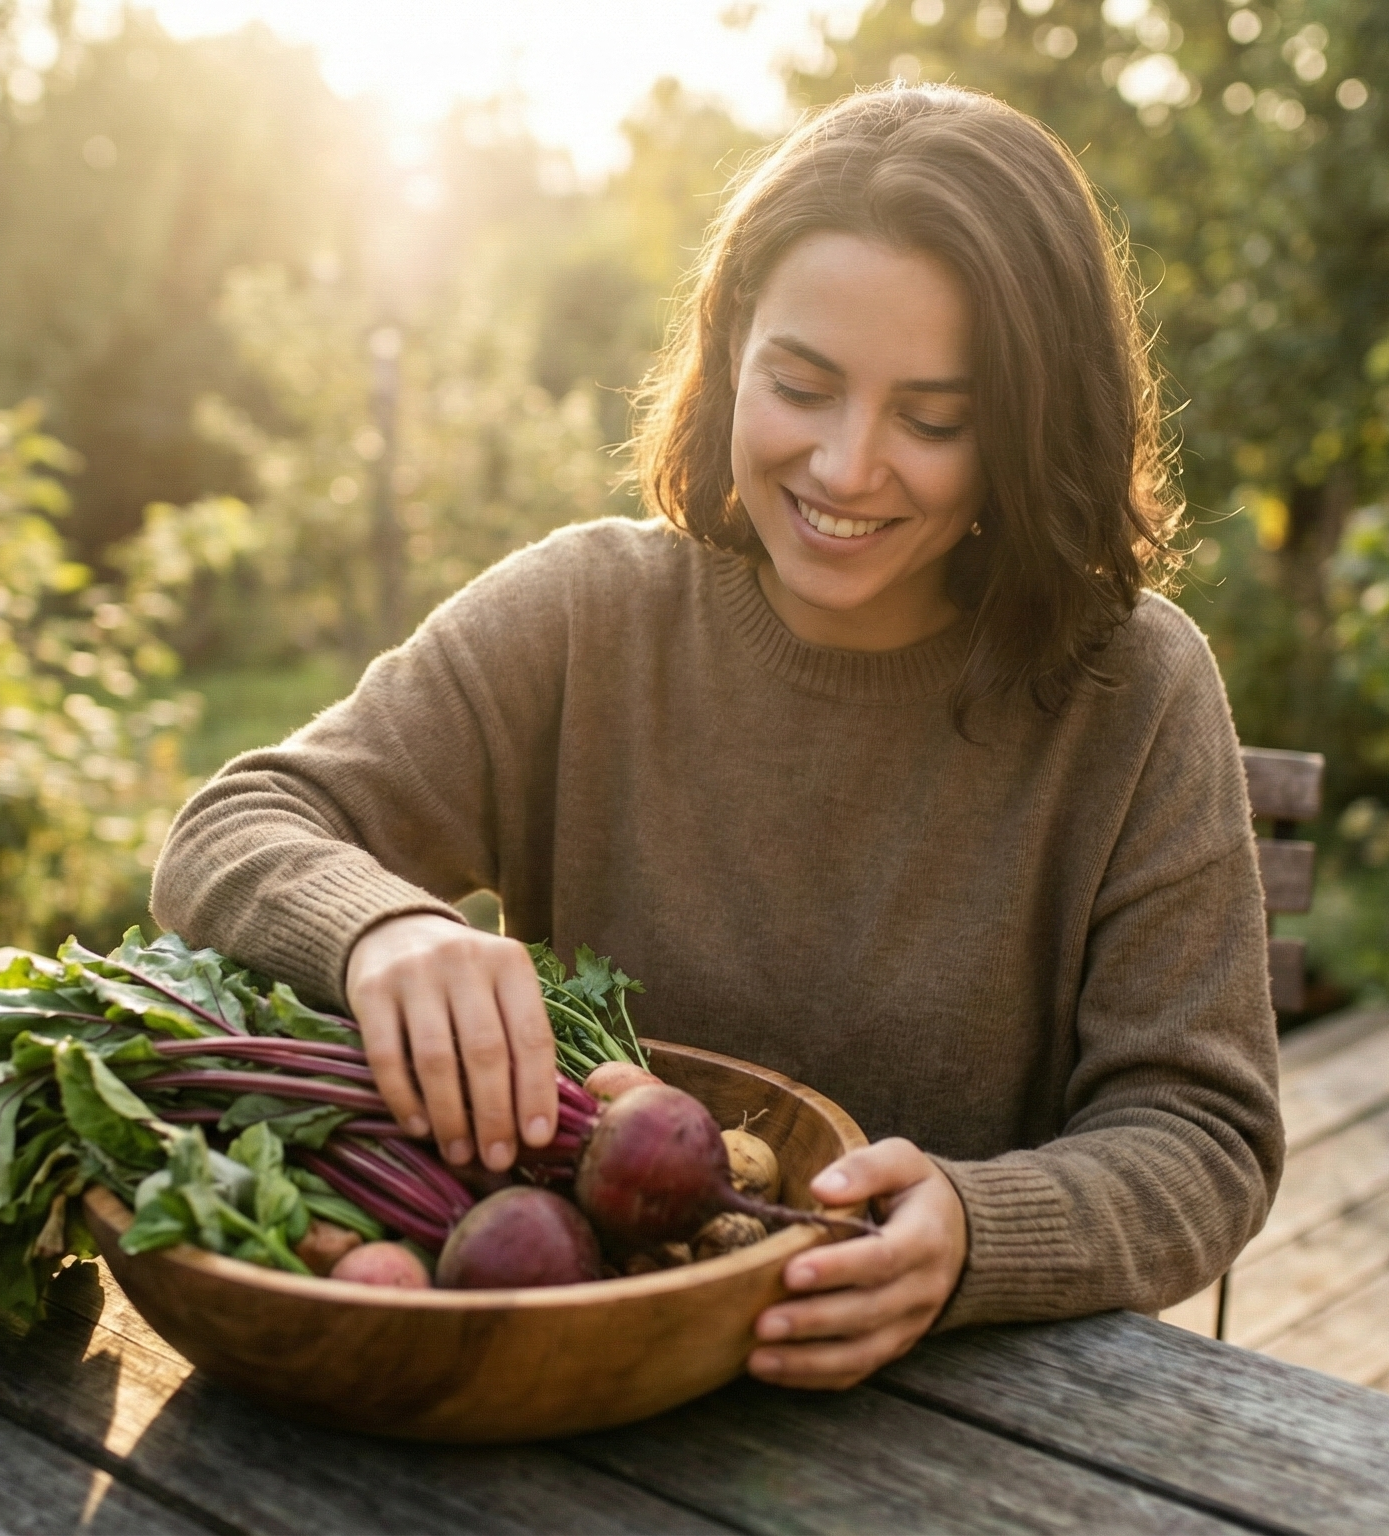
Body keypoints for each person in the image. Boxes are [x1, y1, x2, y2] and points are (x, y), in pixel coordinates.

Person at [151, 83, 1283, 1390]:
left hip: (949, 1418)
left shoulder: (1131, 688)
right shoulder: (588, 614)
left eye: (933, 418)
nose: (849, 468)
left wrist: (977, 1235)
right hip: (567, 1389)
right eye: (801, 386)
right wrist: (379, 928)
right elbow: (233, 830)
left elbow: (1203, 1136)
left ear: (1029, 428)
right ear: (734, 343)